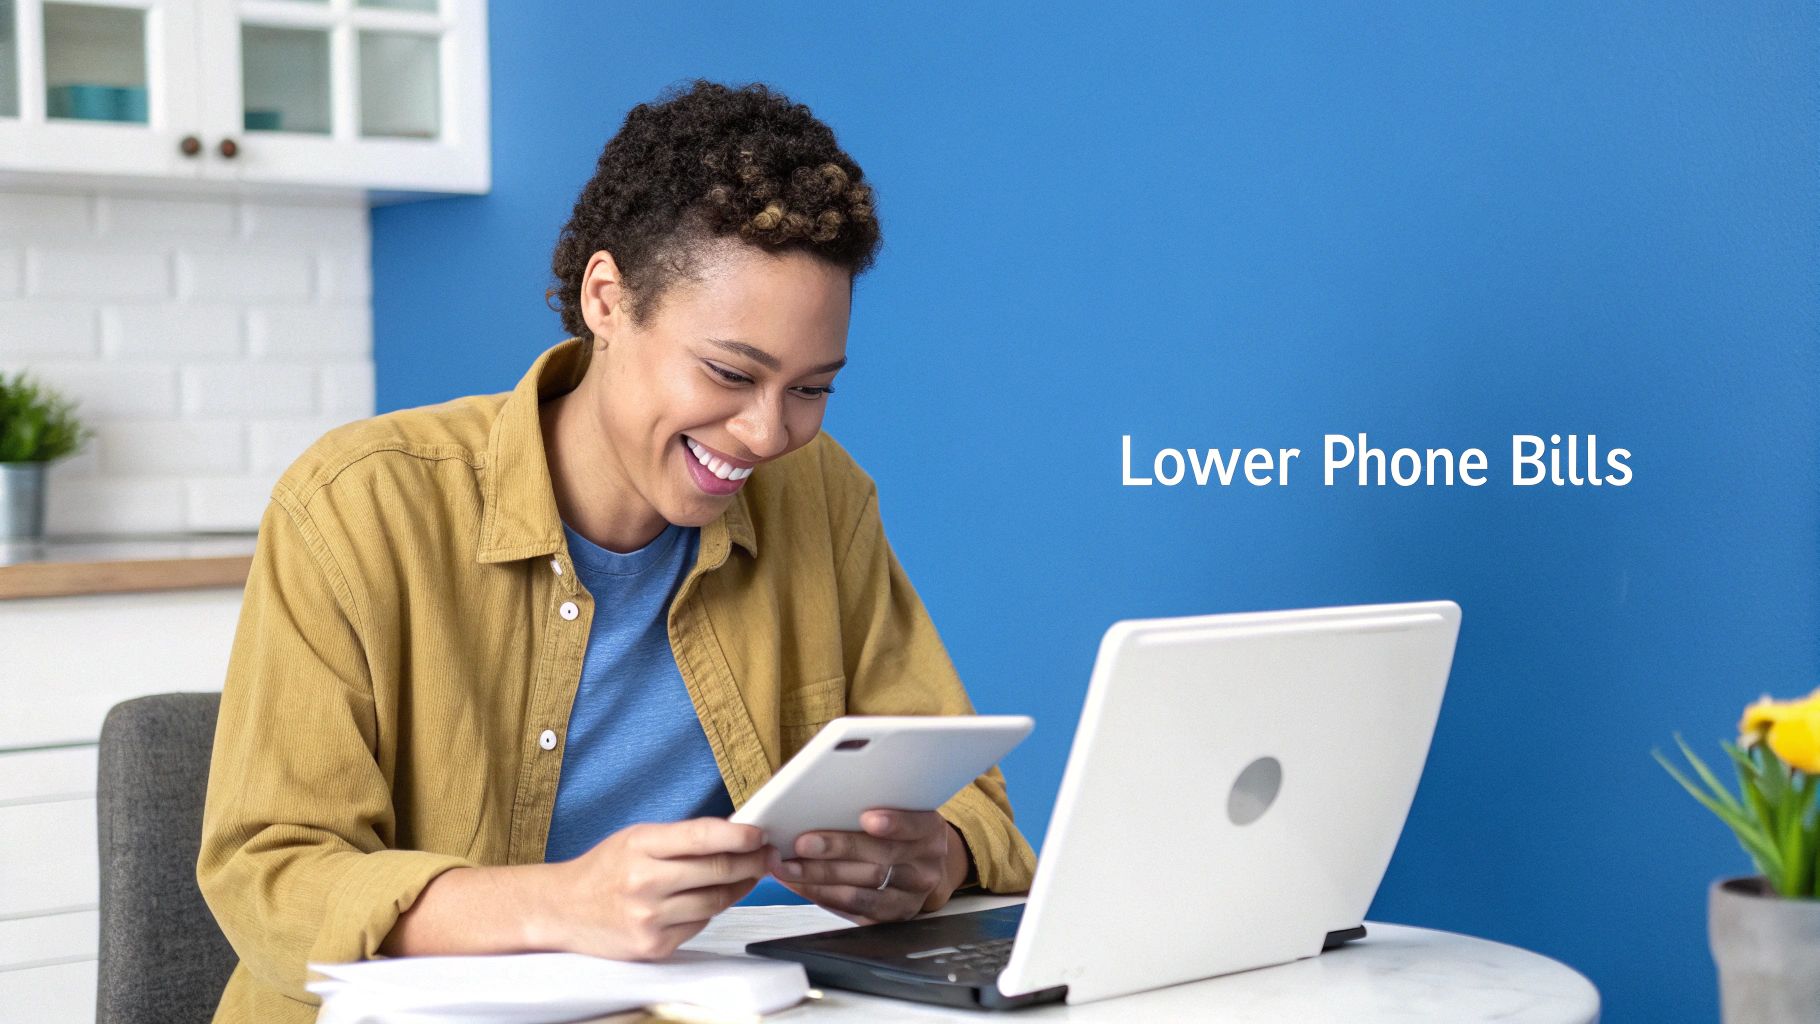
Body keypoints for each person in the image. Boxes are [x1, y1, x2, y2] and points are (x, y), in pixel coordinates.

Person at [195, 79, 1038, 1022]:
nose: (766, 433)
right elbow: (269, 873)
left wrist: (933, 855)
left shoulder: (821, 496)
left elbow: (970, 803)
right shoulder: (361, 504)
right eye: (729, 372)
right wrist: (558, 904)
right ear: (607, 298)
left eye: (813, 388)